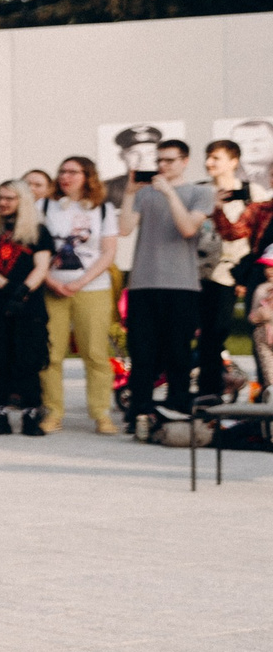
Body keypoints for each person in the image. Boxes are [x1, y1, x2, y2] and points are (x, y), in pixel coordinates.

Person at [120, 137, 213, 433]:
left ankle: (178, 407)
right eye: (159, 160)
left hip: (181, 284)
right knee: (142, 352)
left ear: (185, 161)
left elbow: (187, 228)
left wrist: (169, 192)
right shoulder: (146, 194)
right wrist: (130, 192)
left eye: (169, 160)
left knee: (178, 351)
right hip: (143, 283)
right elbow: (123, 229)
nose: (162, 166)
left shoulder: (200, 192)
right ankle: (139, 411)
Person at [38, 155, 119, 434]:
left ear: (88, 176)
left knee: (95, 352)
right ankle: (53, 412)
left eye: (73, 172)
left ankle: (101, 414)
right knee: (51, 353)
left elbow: (108, 252)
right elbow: (32, 248)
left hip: (92, 288)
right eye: (62, 171)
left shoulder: (103, 209)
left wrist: (81, 281)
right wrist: (49, 281)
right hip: (52, 288)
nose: (65, 176)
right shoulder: (44, 206)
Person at [0, 181, 52, 436]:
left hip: (29, 307)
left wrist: (24, 290)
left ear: (22, 201)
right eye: (0, 198)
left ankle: (30, 415)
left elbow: (42, 265)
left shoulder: (38, 231)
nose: (3, 203)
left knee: (28, 361)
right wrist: (9, 288)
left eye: (10, 198)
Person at [202, 139, 266, 400]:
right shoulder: (200, 191)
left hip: (238, 274)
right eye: (208, 157)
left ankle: (262, 394)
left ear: (233, 161)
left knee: (256, 334)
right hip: (203, 273)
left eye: (216, 157)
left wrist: (248, 276)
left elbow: (254, 238)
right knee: (209, 337)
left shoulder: (254, 193)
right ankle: (209, 394)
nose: (209, 163)